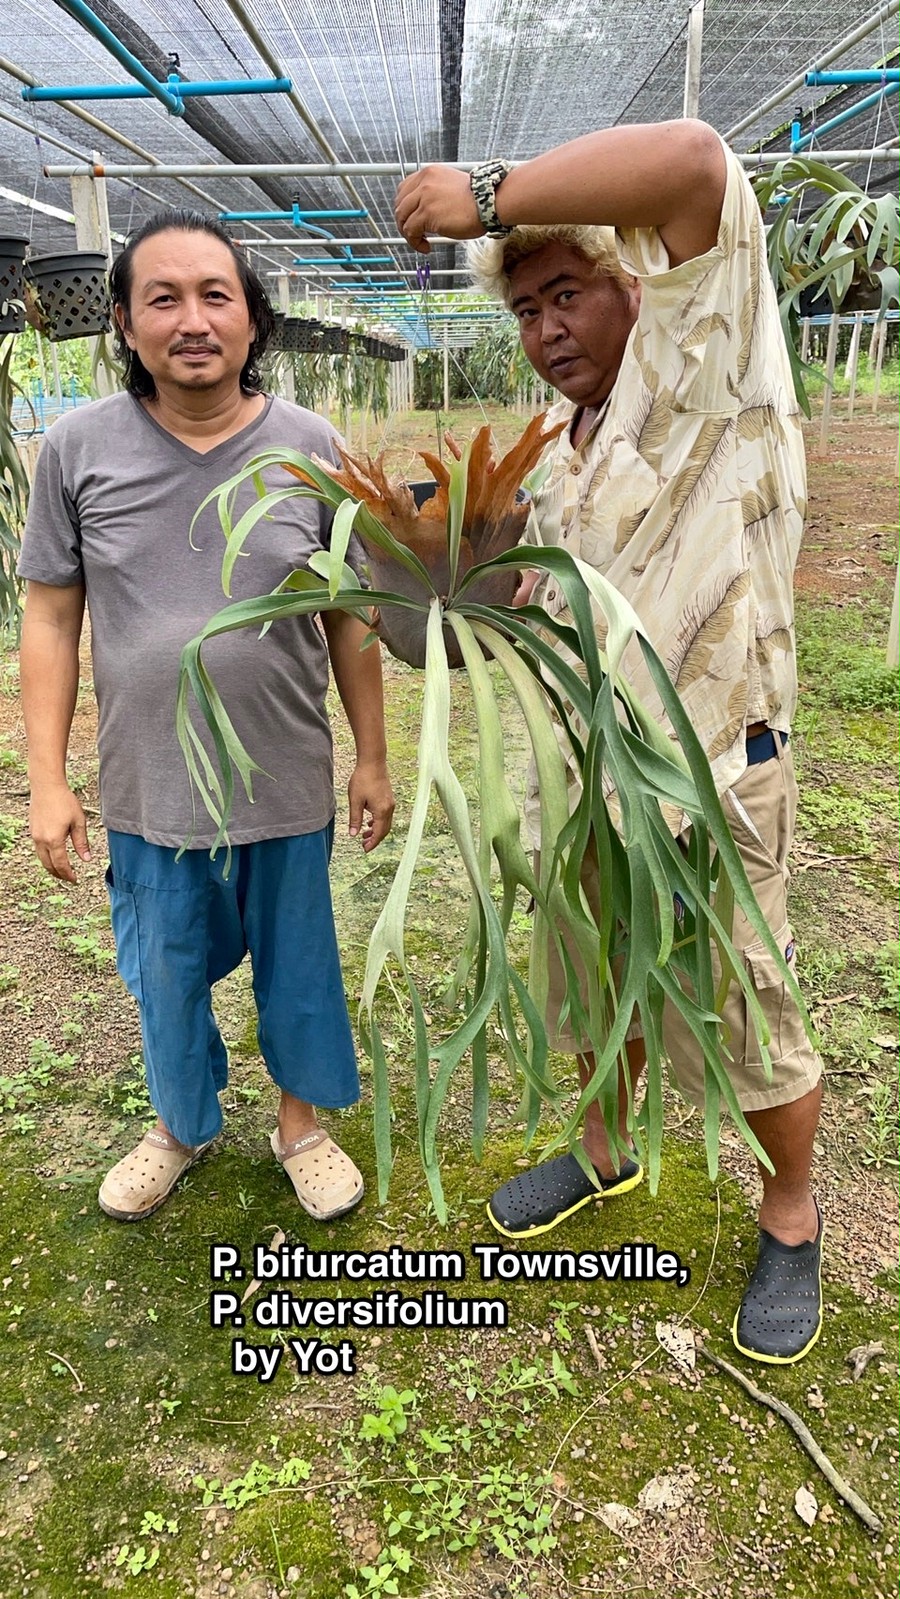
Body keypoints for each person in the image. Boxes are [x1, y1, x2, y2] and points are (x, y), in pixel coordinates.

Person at [395, 121, 824, 1364]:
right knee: (591, 972)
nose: (546, 328)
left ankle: (789, 1215)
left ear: (639, 280)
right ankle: (602, 1149)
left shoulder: (707, 372)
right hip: (592, 777)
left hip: (713, 769)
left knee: (747, 995)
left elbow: (694, 163)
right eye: (526, 308)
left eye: (567, 291)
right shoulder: (564, 450)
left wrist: (486, 198)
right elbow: (549, 598)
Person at [18, 210, 394, 1225]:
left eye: (215, 295)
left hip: (283, 777)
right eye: (164, 298)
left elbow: (350, 616)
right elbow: (52, 615)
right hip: (151, 785)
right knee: (166, 972)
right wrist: (46, 779)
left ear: (253, 318)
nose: (193, 320)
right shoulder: (78, 448)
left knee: (300, 964)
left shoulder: (311, 447)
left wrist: (372, 756)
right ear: (126, 324)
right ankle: (181, 1126)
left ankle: (301, 1124)